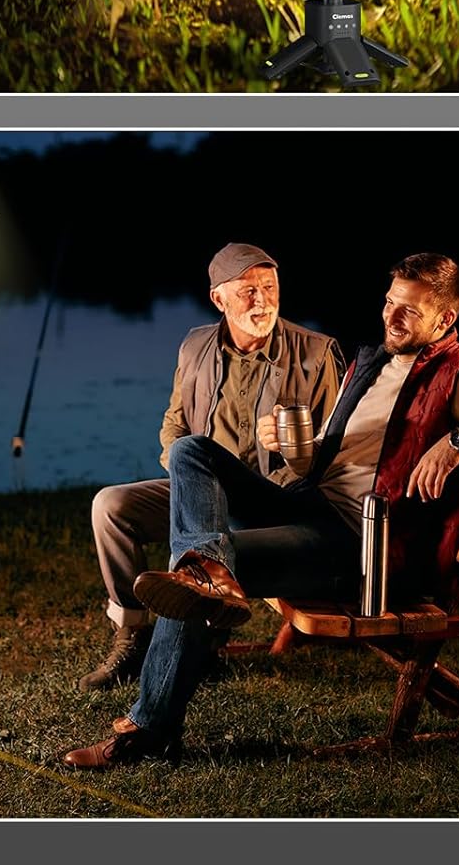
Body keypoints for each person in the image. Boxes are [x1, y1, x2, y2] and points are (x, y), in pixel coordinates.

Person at [62, 253, 459, 769]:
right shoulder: (373, 364)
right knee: (192, 451)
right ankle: (207, 571)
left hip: (357, 545)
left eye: (408, 312)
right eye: (390, 303)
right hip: (308, 503)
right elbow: (326, 460)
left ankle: (149, 729)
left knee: (191, 567)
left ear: (445, 320)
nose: (391, 318)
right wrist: (287, 445)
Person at [79, 244, 341, 691]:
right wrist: (184, 472)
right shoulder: (195, 345)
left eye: (269, 287)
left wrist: (293, 452)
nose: (262, 300)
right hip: (202, 487)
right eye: (247, 291)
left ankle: (203, 641)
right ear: (218, 298)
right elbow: (174, 423)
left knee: (202, 533)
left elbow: (334, 450)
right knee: (110, 506)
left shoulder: (316, 354)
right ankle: (133, 634)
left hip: (271, 499)